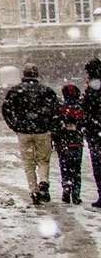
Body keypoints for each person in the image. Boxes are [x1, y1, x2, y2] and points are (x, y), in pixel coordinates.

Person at [2, 64, 63, 205]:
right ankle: (43, 180)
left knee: (28, 163)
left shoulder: (15, 91)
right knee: (43, 160)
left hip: (24, 132)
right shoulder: (46, 91)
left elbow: (7, 110)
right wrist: (51, 126)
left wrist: (15, 126)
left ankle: (34, 190)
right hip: (42, 131)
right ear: (36, 74)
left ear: (23, 74)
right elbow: (56, 111)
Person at [55, 84, 87, 205]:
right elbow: (84, 122)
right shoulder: (80, 107)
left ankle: (66, 188)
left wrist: (56, 138)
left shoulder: (61, 108)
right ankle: (76, 192)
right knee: (76, 168)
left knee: (65, 166)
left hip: (63, 142)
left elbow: (56, 123)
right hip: (76, 142)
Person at [81, 58, 101, 206]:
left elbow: (86, 108)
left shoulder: (93, 88)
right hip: (95, 129)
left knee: (98, 164)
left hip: (95, 131)